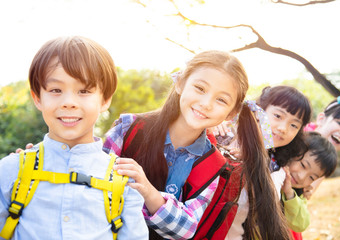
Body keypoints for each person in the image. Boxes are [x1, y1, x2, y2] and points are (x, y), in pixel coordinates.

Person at [103, 50, 291, 239]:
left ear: (231, 113)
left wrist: (148, 191)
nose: (206, 103)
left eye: (221, 100)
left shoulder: (215, 166)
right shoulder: (128, 130)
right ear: (180, 83)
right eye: (200, 88)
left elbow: (186, 229)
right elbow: (93, 189)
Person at [0, 36, 148, 240]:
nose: (69, 102)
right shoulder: (10, 171)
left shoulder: (123, 181)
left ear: (104, 100)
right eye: (56, 90)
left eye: (84, 91)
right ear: (37, 98)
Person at [220, 85, 312, 240]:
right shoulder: (224, 139)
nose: (283, 128)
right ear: (258, 111)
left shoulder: (278, 169)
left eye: (294, 125)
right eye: (278, 116)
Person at [302, 96, 340, 199]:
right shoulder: (296, 136)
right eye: (339, 123)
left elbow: (305, 198)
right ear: (321, 119)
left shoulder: (326, 161)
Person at [281, 131, 337, 233]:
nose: (302, 177)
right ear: (294, 151)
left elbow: (301, 224)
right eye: (303, 165)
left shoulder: (297, 194)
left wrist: (289, 194)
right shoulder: (271, 161)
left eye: (311, 178)